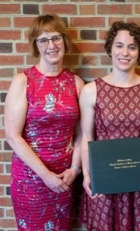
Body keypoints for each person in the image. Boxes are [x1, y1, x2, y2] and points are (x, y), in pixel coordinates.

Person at [79, 21, 140, 231]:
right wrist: (87, 174)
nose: (125, 52)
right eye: (119, 45)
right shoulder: (92, 90)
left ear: (139, 52)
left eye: (132, 47)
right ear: (110, 49)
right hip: (104, 181)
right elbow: (87, 137)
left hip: (139, 182)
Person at [4, 14, 84, 230]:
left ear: (65, 42)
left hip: (65, 179)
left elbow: (81, 134)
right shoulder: (24, 81)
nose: (52, 45)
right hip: (31, 179)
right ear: (36, 45)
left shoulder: (75, 83)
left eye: (57, 38)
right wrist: (45, 175)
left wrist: (75, 169)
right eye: (43, 40)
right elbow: (12, 134)